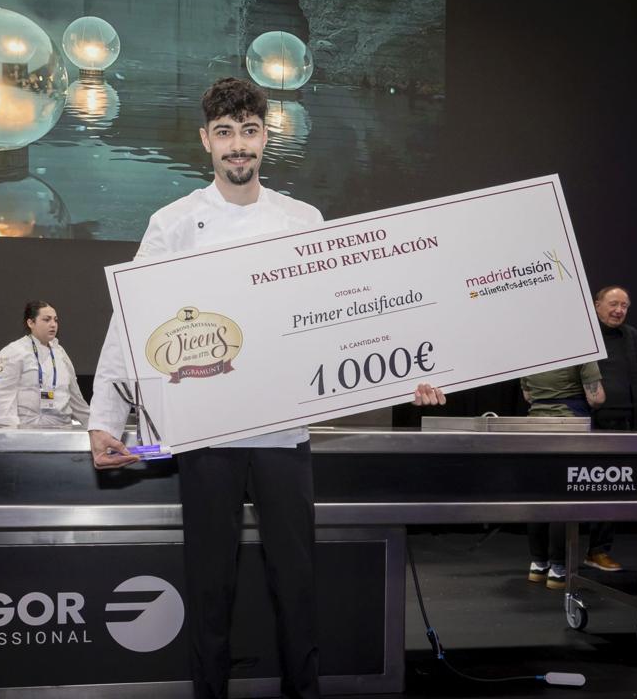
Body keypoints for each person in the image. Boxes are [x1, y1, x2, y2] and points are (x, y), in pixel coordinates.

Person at [88, 77, 443, 699]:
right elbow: (131, 323)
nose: (237, 145)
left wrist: (405, 370)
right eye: (224, 133)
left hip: (283, 431)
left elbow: (343, 315)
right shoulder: (173, 224)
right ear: (205, 141)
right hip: (206, 432)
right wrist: (105, 419)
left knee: (296, 580)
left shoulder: (302, 220)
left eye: (248, 132)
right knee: (208, 582)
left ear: (264, 137)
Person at [584, 284, 637, 572]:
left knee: (610, 489)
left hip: (625, 426)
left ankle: (598, 550)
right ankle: (556, 558)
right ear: (596, 304)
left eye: (624, 306)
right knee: (576, 489)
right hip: (588, 425)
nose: (619, 310)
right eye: (613, 304)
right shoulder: (583, 337)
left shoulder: (633, 338)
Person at [519, 362, 604, 589]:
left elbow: (528, 395)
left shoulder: (529, 350)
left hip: (534, 425)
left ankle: (538, 564)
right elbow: (597, 398)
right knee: (562, 497)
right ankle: (558, 568)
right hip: (569, 425)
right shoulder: (580, 346)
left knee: (538, 496)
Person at [0, 300, 90, 427]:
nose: (53, 324)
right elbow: (4, 402)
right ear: (31, 322)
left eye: (55, 320)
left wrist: (97, 427)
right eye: (47, 320)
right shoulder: (12, 352)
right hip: (28, 434)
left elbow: (76, 398)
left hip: (63, 433)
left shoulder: (60, 353)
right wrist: (11, 438)